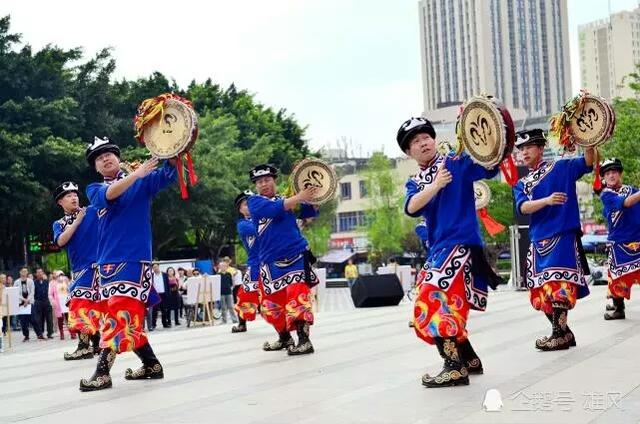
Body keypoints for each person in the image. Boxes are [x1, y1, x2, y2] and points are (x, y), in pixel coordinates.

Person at [399, 117, 502, 388]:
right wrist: (435, 186)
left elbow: (489, 167)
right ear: (408, 152)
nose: (422, 143)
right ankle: (468, 359)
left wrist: (491, 139)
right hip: (439, 248)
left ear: (434, 140)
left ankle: (454, 367)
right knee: (445, 303)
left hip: (460, 243)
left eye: (425, 137)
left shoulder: (455, 162)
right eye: (415, 142)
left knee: (431, 299)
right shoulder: (416, 182)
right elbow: (411, 208)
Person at [80, 136, 176, 391]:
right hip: (106, 264)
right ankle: (151, 364)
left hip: (133, 258)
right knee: (125, 316)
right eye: (100, 158)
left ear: (118, 157)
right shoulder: (94, 189)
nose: (106, 158)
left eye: (109, 154)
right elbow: (110, 194)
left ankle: (102, 373)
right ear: (96, 168)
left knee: (118, 314)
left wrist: (173, 148)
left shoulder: (142, 181)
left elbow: (169, 174)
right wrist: (136, 174)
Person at [513, 129, 593, 351]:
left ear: (540, 148)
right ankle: (565, 333)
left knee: (558, 285)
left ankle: (558, 334)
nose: (524, 152)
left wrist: (590, 139)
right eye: (521, 149)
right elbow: (523, 207)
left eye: (529, 147)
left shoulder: (561, 167)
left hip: (562, 234)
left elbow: (588, 161)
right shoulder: (522, 183)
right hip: (538, 239)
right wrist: (547, 200)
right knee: (541, 290)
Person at [247, 164, 319, 355]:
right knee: (271, 304)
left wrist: (313, 200)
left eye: (267, 180)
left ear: (274, 181)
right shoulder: (254, 202)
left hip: (296, 254)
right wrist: (299, 197)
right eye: (260, 181)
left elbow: (308, 213)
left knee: (298, 296)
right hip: (270, 261)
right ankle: (285, 337)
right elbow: (275, 209)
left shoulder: (288, 200)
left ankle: (304, 340)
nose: (264, 184)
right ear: (256, 185)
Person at [53, 181, 102, 360]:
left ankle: (86, 346)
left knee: (83, 303)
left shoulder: (92, 211)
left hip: (99, 266)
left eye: (75, 194)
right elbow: (61, 241)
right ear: (60, 202)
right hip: (80, 269)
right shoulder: (59, 223)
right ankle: (94, 344)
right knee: (84, 304)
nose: (74, 197)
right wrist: (77, 221)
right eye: (68, 196)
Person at [598, 158, 640, 320]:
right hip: (619, 242)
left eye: (614, 171)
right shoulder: (606, 195)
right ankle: (619, 308)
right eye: (607, 173)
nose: (611, 175)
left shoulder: (632, 190)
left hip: (638, 236)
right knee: (617, 276)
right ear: (603, 177)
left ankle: (617, 305)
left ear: (620, 173)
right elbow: (627, 203)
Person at [232, 190, 261, 333]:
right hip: (256, 264)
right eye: (245, 204)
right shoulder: (243, 224)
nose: (249, 206)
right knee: (245, 294)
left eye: (251, 203)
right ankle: (242, 323)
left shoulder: (263, 218)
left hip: (272, 261)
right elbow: (260, 230)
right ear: (240, 209)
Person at [32, 267, 54, 339]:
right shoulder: (34, 283)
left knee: (49, 318)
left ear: (43, 273)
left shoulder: (47, 282)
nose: (40, 273)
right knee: (39, 319)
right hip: (38, 302)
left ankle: (50, 333)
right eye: (38, 272)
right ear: (36, 274)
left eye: (41, 272)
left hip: (47, 301)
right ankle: (41, 333)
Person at [14, 268, 35, 342]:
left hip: (29, 302)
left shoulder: (30, 281)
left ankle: (39, 334)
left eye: (25, 271)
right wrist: (24, 300)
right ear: (20, 272)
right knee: (23, 322)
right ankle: (26, 336)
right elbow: (16, 292)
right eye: (22, 271)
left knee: (33, 319)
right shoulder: (16, 282)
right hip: (21, 303)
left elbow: (32, 292)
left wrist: (27, 300)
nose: (24, 272)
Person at [151, 263, 170, 329]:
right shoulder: (151, 276)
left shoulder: (164, 275)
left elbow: (167, 285)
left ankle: (165, 323)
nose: (155, 268)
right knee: (154, 310)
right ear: (152, 269)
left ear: (159, 267)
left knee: (164, 310)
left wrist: (168, 294)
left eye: (156, 267)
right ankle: (153, 324)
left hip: (163, 294)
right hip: (155, 294)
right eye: (154, 267)